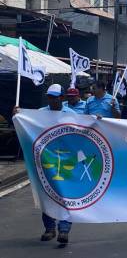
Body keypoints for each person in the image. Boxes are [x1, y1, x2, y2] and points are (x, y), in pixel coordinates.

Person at [14, 84, 74, 245]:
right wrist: (17, 115)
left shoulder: (72, 114)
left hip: (66, 160)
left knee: (66, 196)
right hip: (46, 161)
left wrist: (97, 121)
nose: (52, 100)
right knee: (47, 194)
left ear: (62, 97)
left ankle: (64, 229)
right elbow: (25, 123)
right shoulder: (40, 114)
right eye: (50, 97)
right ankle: (49, 228)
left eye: (55, 97)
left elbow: (83, 132)